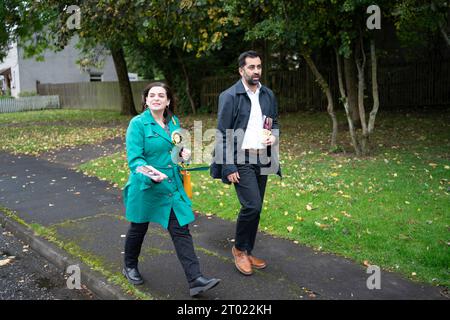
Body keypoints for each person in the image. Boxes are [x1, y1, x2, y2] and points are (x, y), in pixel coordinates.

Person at [122, 82, 220, 297]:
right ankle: (129, 266)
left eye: (161, 95)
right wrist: (152, 174)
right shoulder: (137, 124)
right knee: (138, 229)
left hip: (171, 187)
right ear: (146, 100)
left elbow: (178, 149)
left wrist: (183, 154)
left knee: (181, 230)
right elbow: (135, 159)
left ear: (167, 101)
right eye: (152, 95)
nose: (156, 98)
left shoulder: (174, 121)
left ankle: (195, 280)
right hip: (146, 186)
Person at [211, 50, 281, 276]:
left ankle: (248, 250)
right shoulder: (230, 96)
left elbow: (274, 121)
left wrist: (274, 136)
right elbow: (222, 133)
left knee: (256, 207)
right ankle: (239, 250)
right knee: (252, 205)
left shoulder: (268, 94)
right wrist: (228, 166)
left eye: (259, 66)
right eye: (251, 67)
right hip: (240, 158)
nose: (256, 71)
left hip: (262, 157)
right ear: (241, 70)